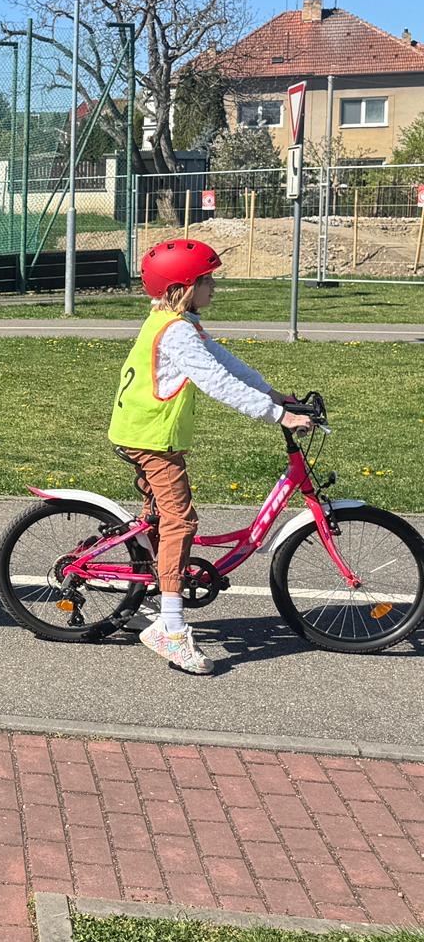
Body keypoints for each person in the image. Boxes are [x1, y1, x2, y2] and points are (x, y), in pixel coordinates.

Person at [107, 239, 313, 676]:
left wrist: (274, 394)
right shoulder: (177, 332)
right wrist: (278, 415)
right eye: (206, 280)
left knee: (159, 519)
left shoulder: (177, 322)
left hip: (143, 433)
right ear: (183, 288)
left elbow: (226, 363)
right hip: (152, 441)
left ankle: (147, 595)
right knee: (180, 522)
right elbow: (216, 382)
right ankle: (171, 628)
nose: (213, 287)